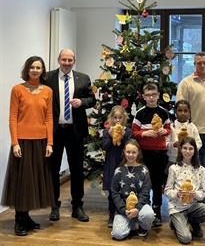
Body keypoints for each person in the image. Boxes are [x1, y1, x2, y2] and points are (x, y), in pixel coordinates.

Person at [1, 56, 55, 236]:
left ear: (42, 70)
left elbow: (48, 118)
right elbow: (12, 118)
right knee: (23, 181)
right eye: (32, 67)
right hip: (23, 142)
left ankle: (26, 216)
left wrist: (50, 142)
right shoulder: (17, 90)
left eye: (38, 67)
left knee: (34, 181)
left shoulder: (47, 91)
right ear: (27, 69)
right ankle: (19, 219)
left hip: (40, 142)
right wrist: (15, 142)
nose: (35, 70)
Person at [44, 48, 96, 222]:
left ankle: (77, 206)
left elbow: (92, 100)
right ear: (58, 60)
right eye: (64, 60)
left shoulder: (83, 78)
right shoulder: (48, 78)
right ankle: (54, 205)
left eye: (70, 60)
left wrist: (82, 102)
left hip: (75, 131)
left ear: (74, 61)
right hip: (54, 132)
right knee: (53, 169)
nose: (66, 63)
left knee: (77, 169)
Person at [176, 51, 205, 183]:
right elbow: (180, 108)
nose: (202, 65)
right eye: (199, 63)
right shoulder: (186, 83)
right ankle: (187, 194)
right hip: (192, 132)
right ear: (194, 64)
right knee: (188, 165)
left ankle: (201, 194)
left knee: (204, 167)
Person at [132, 82, 171, 227]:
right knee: (143, 181)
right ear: (143, 97)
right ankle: (144, 207)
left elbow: (169, 129)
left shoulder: (164, 112)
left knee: (157, 182)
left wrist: (164, 131)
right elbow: (134, 132)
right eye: (148, 95)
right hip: (144, 153)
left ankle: (157, 210)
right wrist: (144, 133)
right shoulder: (140, 113)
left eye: (154, 95)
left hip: (160, 152)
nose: (151, 98)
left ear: (158, 95)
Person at [164, 136, 205, 244]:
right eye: (185, 148)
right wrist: (177, 193)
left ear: (195, 150)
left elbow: (203, 192)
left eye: (190, 148)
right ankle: (175, 221)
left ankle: (193, 220)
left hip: (192, 206)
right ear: (180, 149)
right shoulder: (173, 168)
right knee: (186, 239)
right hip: (177, 208)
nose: (187, 151)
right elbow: (167, 191)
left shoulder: (201, 169)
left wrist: (195, 194)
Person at [111, 139, 155, 240]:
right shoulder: (118, 171)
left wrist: (137, 209)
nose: (131, 155)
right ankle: (130, 223)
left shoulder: (144, 170)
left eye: (134, 152)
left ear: (138, 153)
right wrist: (123, 209)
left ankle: (143, 227)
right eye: (128, 152)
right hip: (124, 208)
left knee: (149, 215)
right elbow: (114, 193)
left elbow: (145, 193)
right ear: (124, 152)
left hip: (141, 206)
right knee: (118, 235)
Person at [102, 105, 133, 228]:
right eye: (115, 118)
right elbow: (106, 147)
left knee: (124, 189)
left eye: (120, 117)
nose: (117, 120)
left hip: (124, 164)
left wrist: (124, 136)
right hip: (111, 163)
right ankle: (111, 213)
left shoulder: (129, 132)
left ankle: (124, 210)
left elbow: (130, 148)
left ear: (124, 118)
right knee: (112, 190)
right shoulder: (107, 131)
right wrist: (110, 136)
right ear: (111, 118)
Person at [165, 99, 202, 174]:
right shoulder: (171, 127)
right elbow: (165, 143)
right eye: (180, 110)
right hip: (173, 160)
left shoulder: (192, 127)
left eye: (185, 111)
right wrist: (173, 145)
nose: (182, 113)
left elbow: (199, 143)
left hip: (189, 161)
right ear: (175, 111)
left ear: (189, 112)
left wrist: (190, 148)